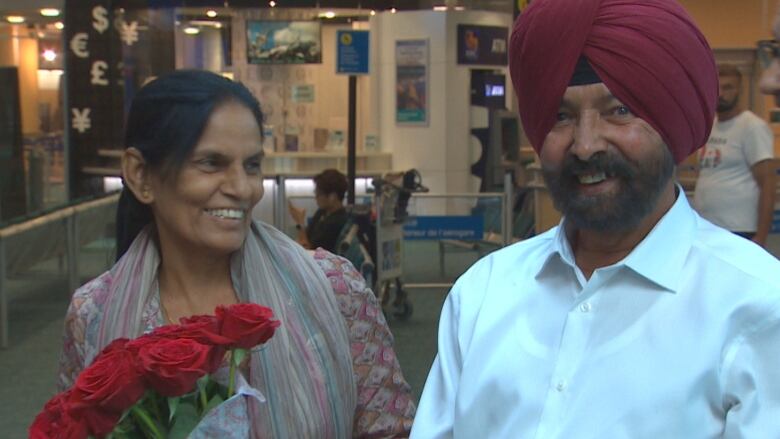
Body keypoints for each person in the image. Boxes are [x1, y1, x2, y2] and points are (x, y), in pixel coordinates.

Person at [411, 0, 780, 437]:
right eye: (562, 116)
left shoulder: (757, 304)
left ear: (673, 123)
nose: (585, 145)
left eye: (619, 110)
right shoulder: (483, 293)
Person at [57, 70, 415, 438]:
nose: (243, 188)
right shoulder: (94, 313)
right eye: (211, 163)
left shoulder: (333, 289)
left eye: (252, 165)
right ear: (140, 175)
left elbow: (392, 432)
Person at [694, 64, 776, 246]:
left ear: (740, 90)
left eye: (728, 87)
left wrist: (761, 237)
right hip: (706, 227)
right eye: (717, 88)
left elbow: (768, 185)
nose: (721, 94)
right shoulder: (709, 126)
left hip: (739, 229)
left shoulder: (752, 126)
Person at [288, 168, 350, 253]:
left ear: (332, 197)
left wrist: (300, 222)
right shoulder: (322, 212)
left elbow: (308, 250)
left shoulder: (336, 222)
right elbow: (306, 239)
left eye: (318, 194)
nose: (316, 197)